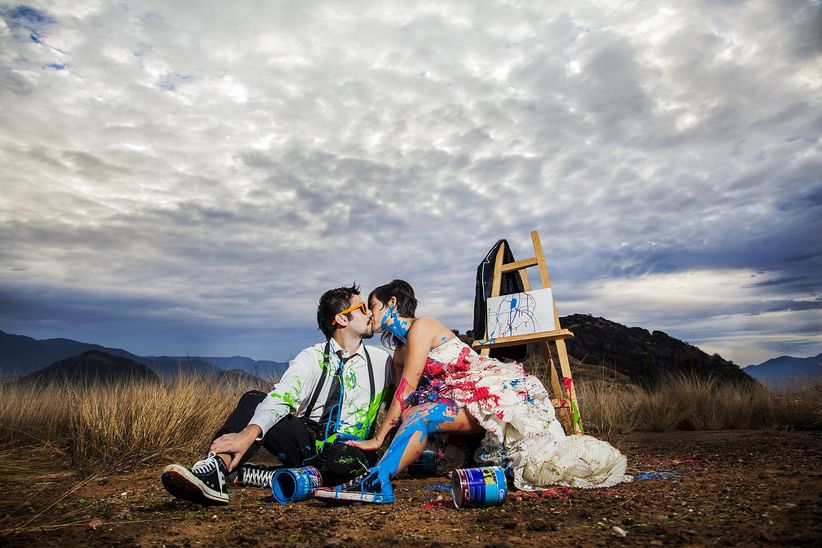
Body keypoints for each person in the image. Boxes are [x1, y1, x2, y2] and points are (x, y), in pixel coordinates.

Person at [315, 280, 629, 503]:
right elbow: (400, 394)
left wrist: (379, 438)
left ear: (392, 304)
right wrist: (380, 434)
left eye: (372, 306)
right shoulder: (399, 353)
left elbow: (409, 388)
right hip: (458, 409)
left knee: (419, 412)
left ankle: (376, 481)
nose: (369, 314)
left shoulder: (422, 327)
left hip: (487, 399)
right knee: (418, 414)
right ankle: (380, 474)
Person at [162, 284, 395, 505]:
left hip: (353, 452)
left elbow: (401, 402)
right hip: (308, 444)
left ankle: (271, 476)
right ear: (342, 319)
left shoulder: (382, 361)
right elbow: (282, 396)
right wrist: (248, 433)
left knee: (343, 459)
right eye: (362, 308)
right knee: (254, 400)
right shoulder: (312, 357)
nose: (370, 314)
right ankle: (216, 471)